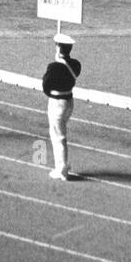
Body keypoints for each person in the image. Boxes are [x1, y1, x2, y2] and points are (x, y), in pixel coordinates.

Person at [41, 33, 81, 180]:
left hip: (57, 102)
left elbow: (46, 86)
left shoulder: (54, 67)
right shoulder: (76, 64)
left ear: (58, 48)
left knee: (58, 136)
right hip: (69, 101)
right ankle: (62, 164)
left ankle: (62, 168)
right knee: (60, 132)